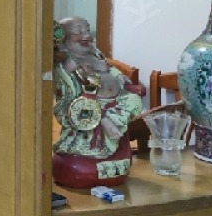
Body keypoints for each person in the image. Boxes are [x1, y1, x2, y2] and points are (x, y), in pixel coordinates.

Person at [53, 16, 144, 158]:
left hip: (115, 100)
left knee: (134, 100)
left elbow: (109, 68)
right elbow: (69, 90)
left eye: (87, 30)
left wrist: (119, 76)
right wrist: (68, 70)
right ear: (64, 38)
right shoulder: (67, 61)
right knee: (85, 110)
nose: (86, 35)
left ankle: (114, 131)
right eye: (79, 31)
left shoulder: (95, 53)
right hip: (89, 103)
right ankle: (104, 122)